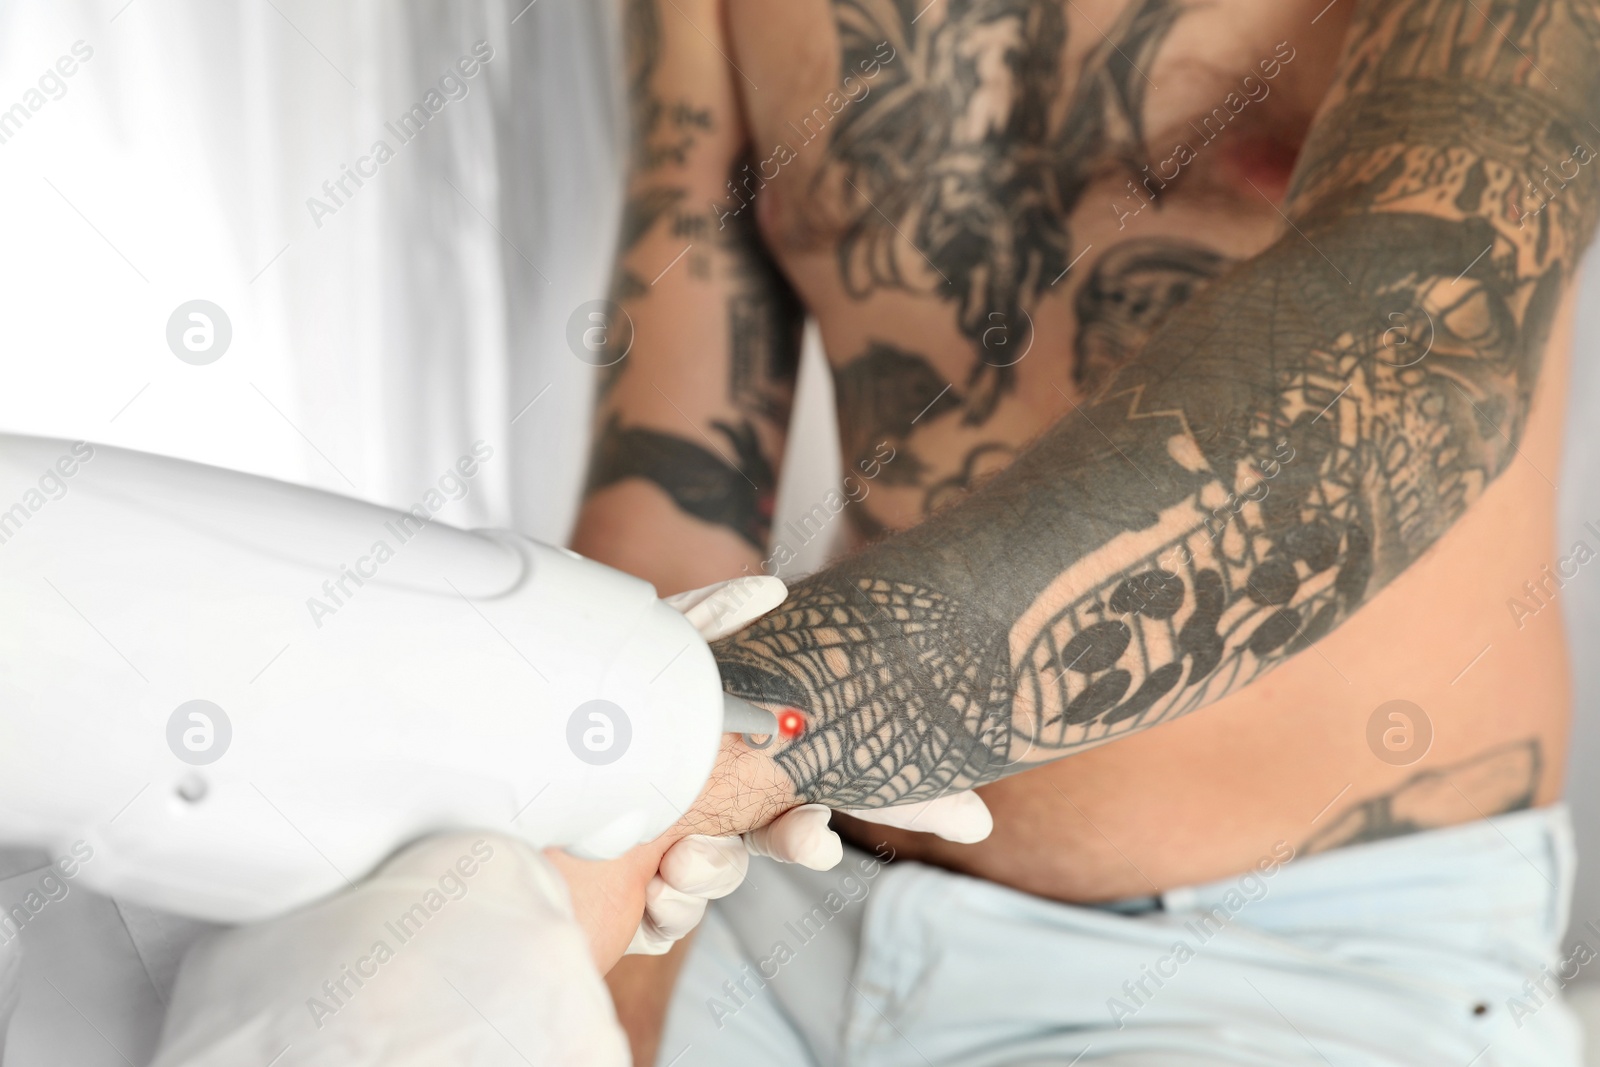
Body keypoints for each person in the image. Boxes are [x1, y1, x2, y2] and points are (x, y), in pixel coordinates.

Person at [572, 0, 1600, 1062]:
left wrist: (764, 731)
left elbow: (1408, 368)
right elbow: (672, 498)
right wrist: (615, 915)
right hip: (777, 894)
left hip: (1286, 967)